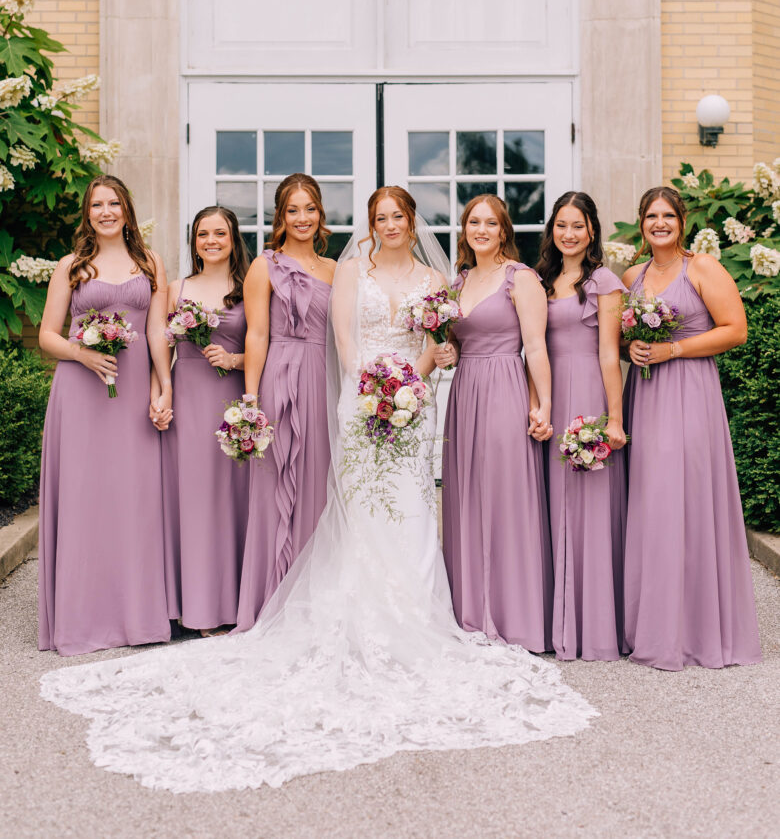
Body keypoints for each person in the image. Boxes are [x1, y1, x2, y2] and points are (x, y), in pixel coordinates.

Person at [40, 187, 594, 794]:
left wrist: (419, 377)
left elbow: (442, 344)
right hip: (363, 400)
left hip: (414, 402)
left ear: (412, 223)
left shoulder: (439, 278)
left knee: (411, 509)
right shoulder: (350, 272)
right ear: (367, 224)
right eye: (379, 217)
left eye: (398, 217)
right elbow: (347, 346)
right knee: (357, 510)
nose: (389, 225)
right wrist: (367, 393)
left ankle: (417, 610)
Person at [622, 186, 761, 669]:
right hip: (646, 394)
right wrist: (633, 350)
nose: (659, 223)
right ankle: (653, 624)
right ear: (642, 223)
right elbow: (623, 337)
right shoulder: (632, 275)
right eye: (651, 216)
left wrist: (673, 349)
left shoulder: (701, 268)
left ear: (681, 221)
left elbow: (736, 329)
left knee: (685, 499)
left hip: (690, 393)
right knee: (651, 501)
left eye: (668, 216)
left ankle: (696, 629)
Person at [38, 175, 171, 655]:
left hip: (132, 395)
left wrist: (163, 388)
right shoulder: (71, 266)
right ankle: (81, 619)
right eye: (98, 204)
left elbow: (158, 331)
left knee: (135, 499)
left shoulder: (149, 263)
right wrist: (82, 354)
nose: (107, 211)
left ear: (127, 209)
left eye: (114, 203)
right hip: (80, 394)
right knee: (85, 497)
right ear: (87, 213)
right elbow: (47, 335)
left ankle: (136, 616)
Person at [437, 194, 554, 652]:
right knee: (466, 496)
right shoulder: (459, 281)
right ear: (464, 229)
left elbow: (536, 347)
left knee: (505, 497)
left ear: (504, 230)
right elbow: (453, 345)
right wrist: (448, 353)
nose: (480, 230)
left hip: (505, 386)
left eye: (490, 223)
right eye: (472, 222)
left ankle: (514, 615)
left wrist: (543, 404)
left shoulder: (520, 279)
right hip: (465, 392)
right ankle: (472, 612)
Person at [235, 174, 335, 630]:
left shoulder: (336, 270)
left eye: (309, 208)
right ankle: (269, 600)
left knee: (319, 484)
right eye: (293, 210)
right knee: (275, 489)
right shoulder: (264, 266)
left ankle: (314, 600)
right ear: (280, 216)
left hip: (323, 379)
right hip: (280, 375)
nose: (302, 218)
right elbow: (256, 334)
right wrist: (251, 400)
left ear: (320, 214)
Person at [535, 191, 627, 660]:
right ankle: (558, 622)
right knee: (553, 504)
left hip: (588, 393)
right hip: (551, 396)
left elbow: (610, 352)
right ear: (552, 230)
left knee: (592, 505)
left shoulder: (604, 281)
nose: (568, 234)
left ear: (592, 230)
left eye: (578, 225)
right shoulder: (540, 279)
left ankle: (595, 627)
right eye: (561, 225)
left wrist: (614, 417)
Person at [161, 206, 250, 636]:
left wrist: (234, 359)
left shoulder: (251, 289)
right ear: (193, 241)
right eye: (202, 234)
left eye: (220, 233)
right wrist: (162, 389)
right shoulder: (177, 287)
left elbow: (272, 348)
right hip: (188, 402)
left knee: (229, 499)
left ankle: (231, 603)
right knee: (191, 500)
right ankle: (192, 606)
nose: (211, 241)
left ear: (234, 238)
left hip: (230, 403)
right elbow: (159, 344)